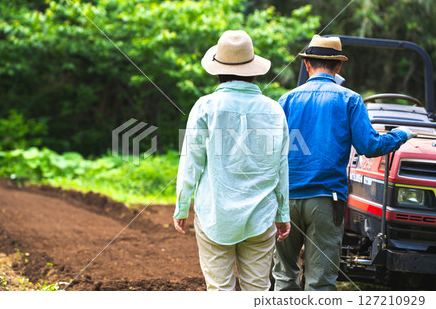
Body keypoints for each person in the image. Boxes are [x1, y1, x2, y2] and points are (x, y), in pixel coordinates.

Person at [273, 35, 415, 291]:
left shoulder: (286, 100)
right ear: (338, 66)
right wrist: (401, 135)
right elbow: (370, 146)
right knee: (321, 282)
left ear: (307, 65)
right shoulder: (350, 99)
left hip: (286, 201)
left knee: (284, 276)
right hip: (327, 201)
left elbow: (273, 152)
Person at [173, 30, 290, 291]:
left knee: (219, 291)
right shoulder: (274, 110)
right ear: (253, 70)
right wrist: (283, 213)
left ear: (218, 70)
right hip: (261, 217)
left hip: (216, 215)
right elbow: (281, 166)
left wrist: (182, 207)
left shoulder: (205, 107)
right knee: (258, 291)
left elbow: (191, 162)